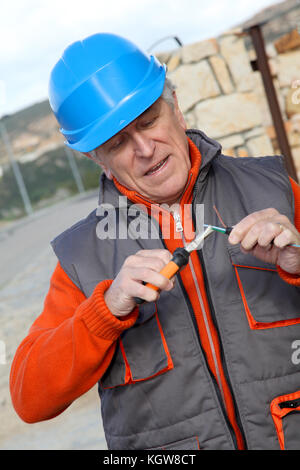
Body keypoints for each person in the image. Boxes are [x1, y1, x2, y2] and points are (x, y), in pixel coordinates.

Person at [10, 32, 300, 451]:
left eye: (148, 121)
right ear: (98, 159)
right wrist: (105, 312)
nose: (145, 149)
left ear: (176, 109)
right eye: (117, 142)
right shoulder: (82, 258)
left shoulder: (275, 190)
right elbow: (28, 399)